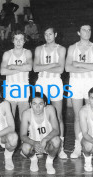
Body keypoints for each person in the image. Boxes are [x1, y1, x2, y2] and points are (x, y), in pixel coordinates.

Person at [65, 22, 93, 158]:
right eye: (84, 30)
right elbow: (68, 68)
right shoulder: (72, 48)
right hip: (75, 82)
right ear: (78, 32)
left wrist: (79, 64)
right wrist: (90, 66)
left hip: (90, 81)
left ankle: (90, 146)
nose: (87, 32)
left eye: (89, 30)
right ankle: (77, 146)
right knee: (77, 116)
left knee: (89, 115)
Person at [33, 26, 67, 159]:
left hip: (55, 83)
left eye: (50, 34)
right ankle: (40, 146)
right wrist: (53, 65)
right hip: (41, 82)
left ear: (55, 34)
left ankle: (61, 148)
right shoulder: (39, 49)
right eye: (46, 34)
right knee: (39, 115)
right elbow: (35, 68)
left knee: (58, 116)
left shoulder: (61, 49)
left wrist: (45, 67)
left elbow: (60, 70)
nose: (48, 37)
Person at [20, 92, 61, 174]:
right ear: (30, 104)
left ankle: (49, 162)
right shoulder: (26, 114)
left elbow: (56, 130)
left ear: (45, 104)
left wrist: (45, 140)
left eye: (40, 104)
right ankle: (33, 160)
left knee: (57, 140)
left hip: (47, 143)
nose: (38, 107)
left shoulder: (50, 109)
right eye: (34, 104)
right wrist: (34, 143)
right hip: (34, 145)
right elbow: (22, 135)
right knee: (24, 147)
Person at [0, 31, 32, 122]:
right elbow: (2, 71)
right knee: (10, 120)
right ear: (13, 41)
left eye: (21, 39)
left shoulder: (27, 52)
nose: (18, 42)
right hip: (10, 88)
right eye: (16, 39)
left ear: (24, 41)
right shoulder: (7, 54)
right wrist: (22, 68)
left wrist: (12, 66)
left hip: (24, 89)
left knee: (25, 120)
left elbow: (29, 67)